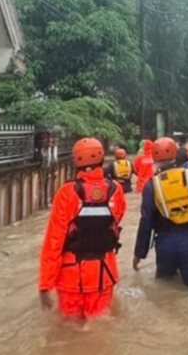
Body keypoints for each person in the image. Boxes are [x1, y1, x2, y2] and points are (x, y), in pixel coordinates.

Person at [38, 137, 126, 320]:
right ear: (102, 159)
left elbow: (54, 240)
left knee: (69, 330)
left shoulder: (66, 192)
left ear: (75, 161)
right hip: (104, 273)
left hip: (70, 276)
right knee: (99, 326)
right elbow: (115, 220)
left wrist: (45, 284)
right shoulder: (116, 190)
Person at [133, 137, 188, 287]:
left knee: (165, 286)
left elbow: (146, 221)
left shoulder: (151, 185)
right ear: (175, 155)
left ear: (154, 157)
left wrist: (139, 254)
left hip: (164, 243)